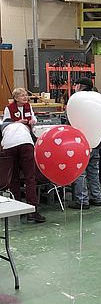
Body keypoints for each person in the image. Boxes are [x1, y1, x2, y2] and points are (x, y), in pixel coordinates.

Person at [1, 88, 45, 223]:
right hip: (25, 142)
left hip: (9, 144)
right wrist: (18, 123)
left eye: (26, 95)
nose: (25, 97)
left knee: (13, 178)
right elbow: (7, 122)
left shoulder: (28, 107)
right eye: (22, 95)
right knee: (30, 177)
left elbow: (5, 127)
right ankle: (33, 210)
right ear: (15, 97)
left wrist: (33, 121)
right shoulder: (9, 108)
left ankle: (18, 208)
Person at [68, 77, 101, 210]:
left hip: (80, 143)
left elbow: (69, 119)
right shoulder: (97, 99)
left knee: (80, 172)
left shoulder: (76, 100)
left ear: (79, 86)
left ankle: (82, 200)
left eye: (75, 84)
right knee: (94, 171)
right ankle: (96, 197)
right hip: (95, 142)